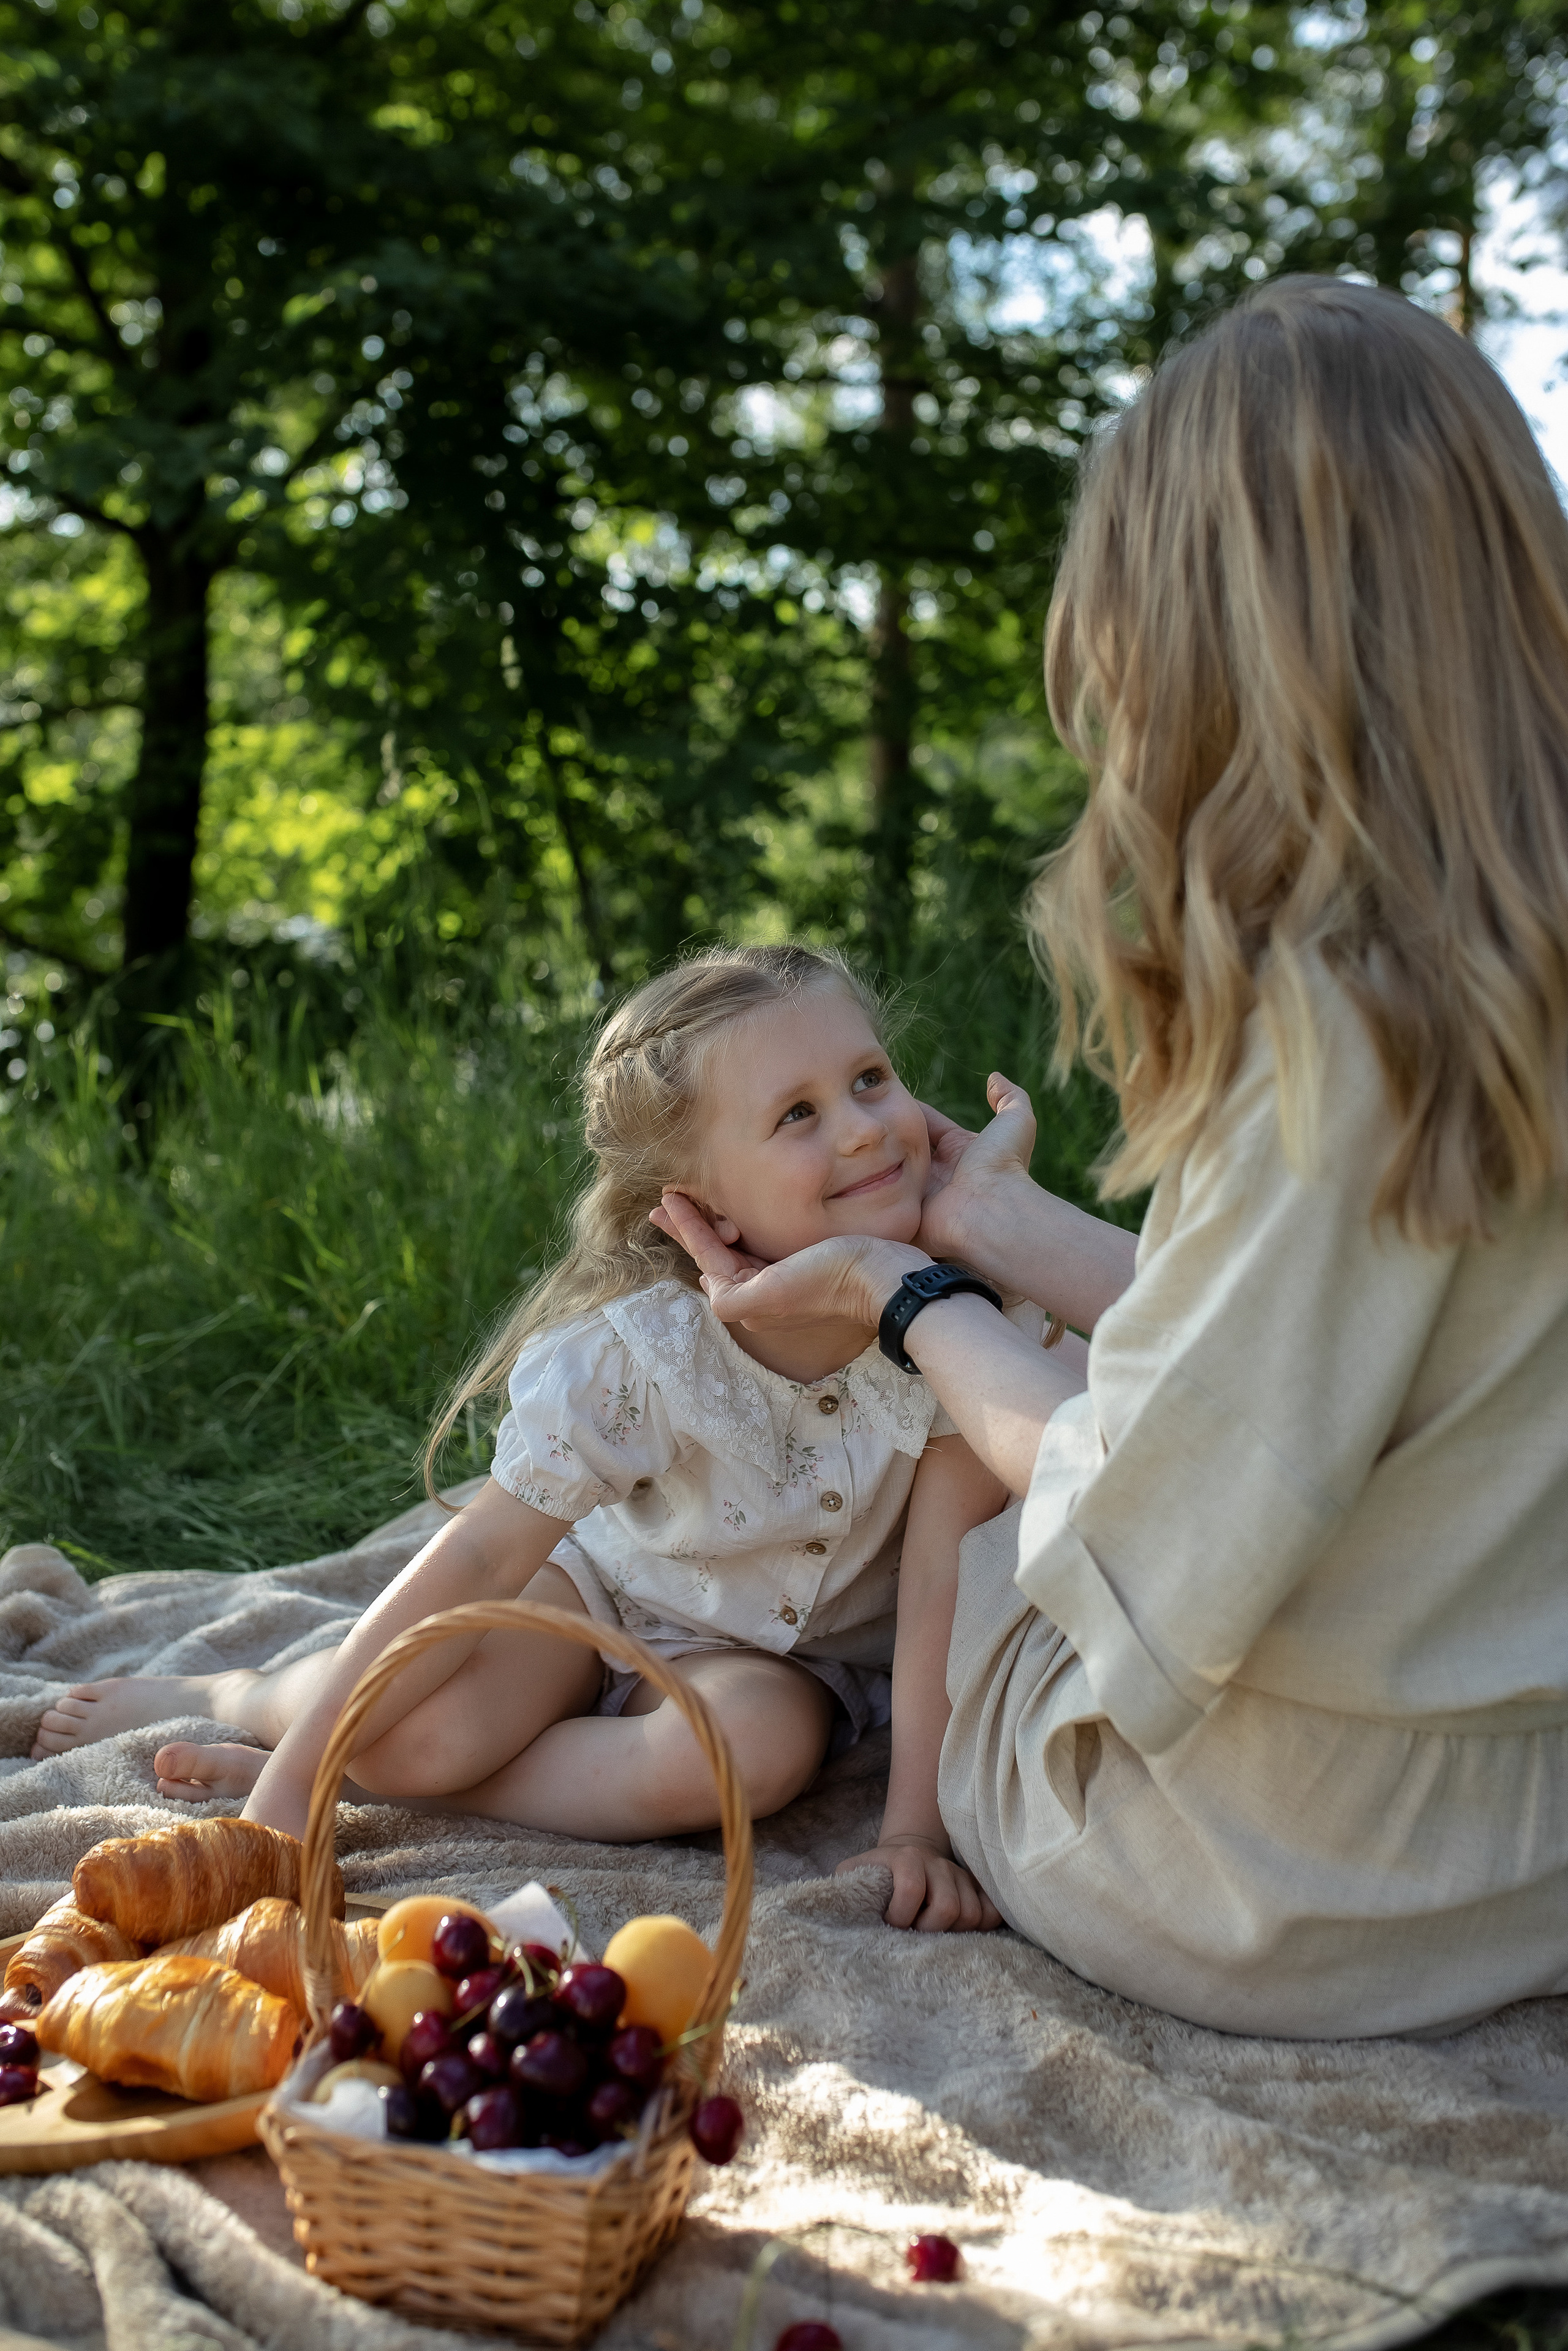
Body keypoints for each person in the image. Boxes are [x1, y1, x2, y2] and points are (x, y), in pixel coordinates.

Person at [653, 277, 1568, 2038]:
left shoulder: (1348, 1016)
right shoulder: (1501, 969)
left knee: (954, 1522)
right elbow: (1347, 1379)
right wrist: (1002, 1225)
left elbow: (1134, 1513)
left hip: (1285, 1877)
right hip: (1529, 1832)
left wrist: (904, 1291)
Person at [32, 944, 1051, 1932]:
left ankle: (384, 1780)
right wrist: (293, 1792)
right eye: (798, 1113)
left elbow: (941, 1583)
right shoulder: (651, 1350)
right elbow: (482, 1551)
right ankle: (253, 1703)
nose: (867, 1128)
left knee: (750, 1758)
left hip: (784, 1660)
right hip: (607, 1587)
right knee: (424, 1737)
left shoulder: (961, 1323)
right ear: (702, 1205)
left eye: (871, 1078)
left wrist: (914, 1826)